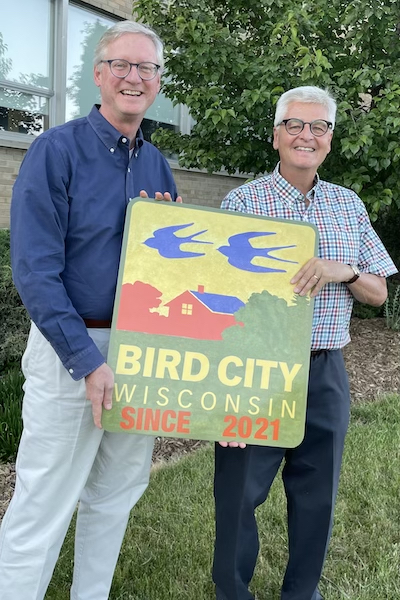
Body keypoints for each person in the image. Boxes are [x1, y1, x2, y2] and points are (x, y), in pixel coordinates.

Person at [0, 20, 181, 600]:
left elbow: (171, 270)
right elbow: (35, 269)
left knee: (116, 494)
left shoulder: (157, 166)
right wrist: (86, 359)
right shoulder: (56, 151)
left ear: (158, 82)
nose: (134, 76)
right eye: (122, 65)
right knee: (44, 500)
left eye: (146, 68)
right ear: (99, 75)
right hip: (69, 350)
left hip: (139, 349)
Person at [213, 86, 397, 600]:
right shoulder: (244, 202)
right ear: (276, 135)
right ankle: (232, 590)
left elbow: (379, 293)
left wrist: (346, 270)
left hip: (326, 371)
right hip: (256, 367)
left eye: (318, 127)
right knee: (239, 491)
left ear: (330, 141)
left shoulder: (348, 205)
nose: (306, 135)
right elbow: (218, 289)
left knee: (317, 495)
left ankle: (302, 593)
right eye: (295, 124)